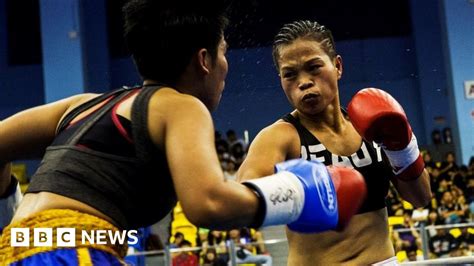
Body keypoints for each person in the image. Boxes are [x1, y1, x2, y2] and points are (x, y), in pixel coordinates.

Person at [0, 2, 367, 265]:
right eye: (224, 53)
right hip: (73, 250)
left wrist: (15, 210)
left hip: (16, 245)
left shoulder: (84, 105)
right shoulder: (181, 105)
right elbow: (207, 205)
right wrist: (300, 193)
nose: (226, 66)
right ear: (204, 60)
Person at [238, 20, 432, 265]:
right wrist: (298, 194)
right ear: (281, 80)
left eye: (313, 67)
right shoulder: (280, 137)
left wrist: (401, 148)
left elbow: (421, 198)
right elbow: (239, 202)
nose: (304, 82)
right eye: (290, 74)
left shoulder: (373, 125)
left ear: (337, 66)